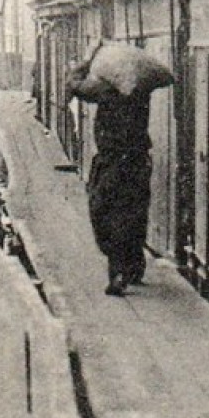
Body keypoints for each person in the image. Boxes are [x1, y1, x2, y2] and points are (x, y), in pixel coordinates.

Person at [69, 60, 156, 297]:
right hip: (136, 165)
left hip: (113, 165)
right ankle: (134, 267)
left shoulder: (106, 93)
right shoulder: (142, 93)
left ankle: (118, 271)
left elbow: (74, 86)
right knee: (133, 216)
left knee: (104, 213)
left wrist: (87, 62)